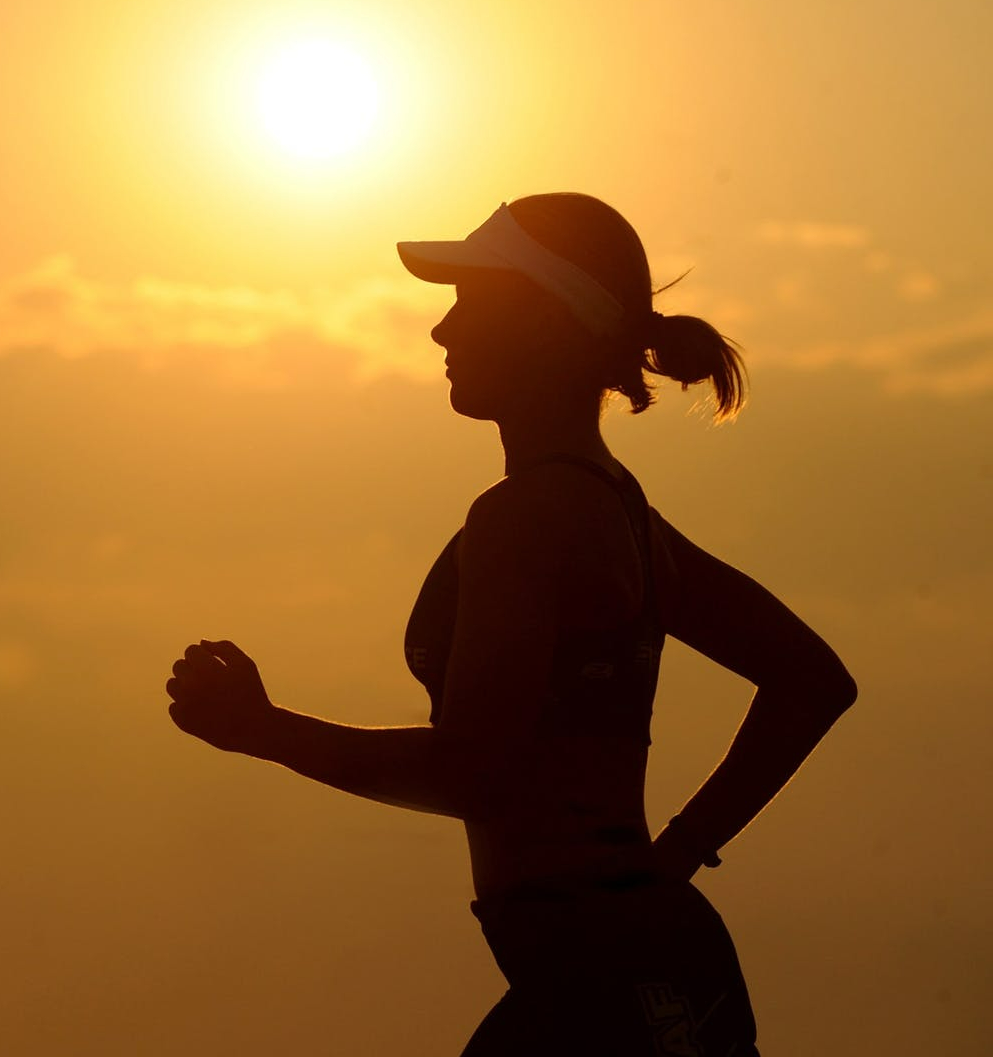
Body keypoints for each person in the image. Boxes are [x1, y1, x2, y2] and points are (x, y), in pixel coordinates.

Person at [164, 193, 857, 1056]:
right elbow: (813, 680)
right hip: (637, 969)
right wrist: (676, 854)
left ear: (544, 322)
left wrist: (266, 731)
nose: (441, 333)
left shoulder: (526, 517)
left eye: (470, 303)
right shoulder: (621, 510)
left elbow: (473, 772)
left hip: (609, 987)